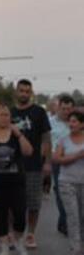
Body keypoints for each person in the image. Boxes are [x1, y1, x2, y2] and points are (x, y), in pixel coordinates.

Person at [0, 105, 34, 255]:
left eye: (7, 115)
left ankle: (18, 240)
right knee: (0, 215)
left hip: (17, 181)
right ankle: (4, 246)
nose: (5, 118)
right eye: (1, 115)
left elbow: (28, 152)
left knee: (20, 213)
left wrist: (19, 135)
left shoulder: (16, 134)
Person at [11, 79, 52, 250]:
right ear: (16, 92)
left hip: (34, 164)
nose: (24, 94)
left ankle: (30, 234)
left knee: (33, 204)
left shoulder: (39, 112)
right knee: (12, 204)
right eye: (21, 91)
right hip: (11, 166)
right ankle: (13, 234)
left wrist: (47, 162)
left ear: (31, 93)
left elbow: (46, 138)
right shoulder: (9, 112)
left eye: (27, 91)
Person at [53, 111, 84, 255]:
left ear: (82, 124)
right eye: (70, 122)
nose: (71, 124)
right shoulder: (63, 140)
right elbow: (57, 159)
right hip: (67, 182)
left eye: (75, 122)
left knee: (82, 215)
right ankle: (75, 247)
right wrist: (77, 156)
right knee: (72, 215)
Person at [50, 95, 75, 236]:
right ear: (58, 107)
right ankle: (66, 222)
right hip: (58, 161)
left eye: (69, 109)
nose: (66, 111)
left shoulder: (77, 122)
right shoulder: (51, 122)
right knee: (61, 193)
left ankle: (64, 221)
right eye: (63, 108)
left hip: (76, 161)